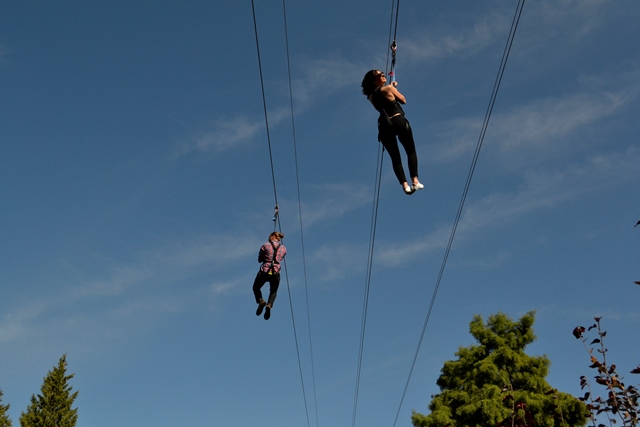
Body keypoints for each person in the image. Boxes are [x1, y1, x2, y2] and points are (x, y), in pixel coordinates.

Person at [361, 69, 424, 195]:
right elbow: (403, 100)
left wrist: (391, 88)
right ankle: (415, 181)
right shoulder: (388, 89)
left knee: (395, 158)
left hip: (384, 126)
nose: (383, 75)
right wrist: (393, 89)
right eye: (380, 75)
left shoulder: (370, 97)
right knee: (410, 151)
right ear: (374, 80)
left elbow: (382, 98)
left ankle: (405, 186)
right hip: (398, 120)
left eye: (383, 73)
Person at [252, 231, 287, 320]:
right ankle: (269, 305)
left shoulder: (265, 245)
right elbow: (281, 258)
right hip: (275, 273)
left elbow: (260, 259)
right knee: (273, 291)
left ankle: (260, 300)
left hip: (264, 271)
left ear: (272, 236)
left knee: (256, 287)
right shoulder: (283, 248)